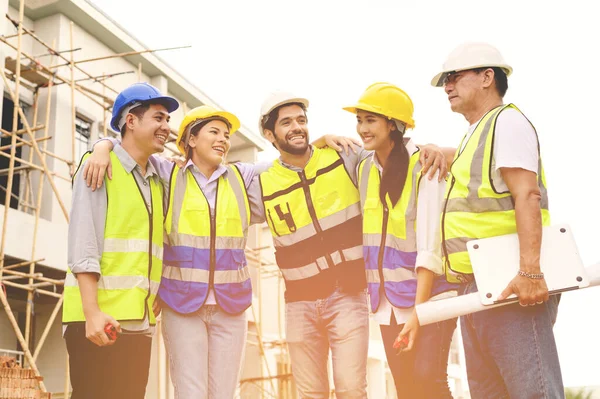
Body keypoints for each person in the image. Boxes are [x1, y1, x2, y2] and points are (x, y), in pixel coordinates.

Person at [85, 105, 361, 398]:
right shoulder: (167, 174)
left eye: (226, 135)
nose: (223, 140)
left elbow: (288, 158)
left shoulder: (242, 177)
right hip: (182, 304)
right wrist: (103, 146)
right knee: (191, 393)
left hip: (231, 305)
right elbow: (132, 149)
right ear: (191, 140)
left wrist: (320, 141)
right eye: (214, 132)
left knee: (224, 394)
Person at [248, 92, 448, 398]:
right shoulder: (263, 181)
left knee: (355, 389)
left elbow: (394, 153)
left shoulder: (344, 157)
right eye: (286, 123)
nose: (297, 127)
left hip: (350, 295)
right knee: (311, 394)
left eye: (301, 120)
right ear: (268, 134)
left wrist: (430, 148)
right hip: (299, 304)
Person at [432, 42, 563, 398]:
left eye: (455, 76)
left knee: (534, 392)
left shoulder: (507, 122)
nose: (447, 86)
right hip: (477, 287)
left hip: (512, 284)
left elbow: (527, 194)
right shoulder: (476, 134)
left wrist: (531, 272)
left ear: (488, 76)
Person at [63, 82, 178, 399]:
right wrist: (92, 314)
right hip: (99, 321)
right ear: (131, 121)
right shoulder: (99, 167)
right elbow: (84, 244)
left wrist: (105, 143)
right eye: (158, 118)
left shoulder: (157, 176)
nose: (166, 127)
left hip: (139, 323)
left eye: (167, 120)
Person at [343, 82, 459, 398]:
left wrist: (419, 314)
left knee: (428, 380)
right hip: (388, 301)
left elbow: (429, 248)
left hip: (431, 295)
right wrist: (324, 139)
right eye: (360, 120)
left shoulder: (426, 165)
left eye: (371, 120)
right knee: (407, 388)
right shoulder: (364, 167)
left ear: (393, 124)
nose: (362, 128)